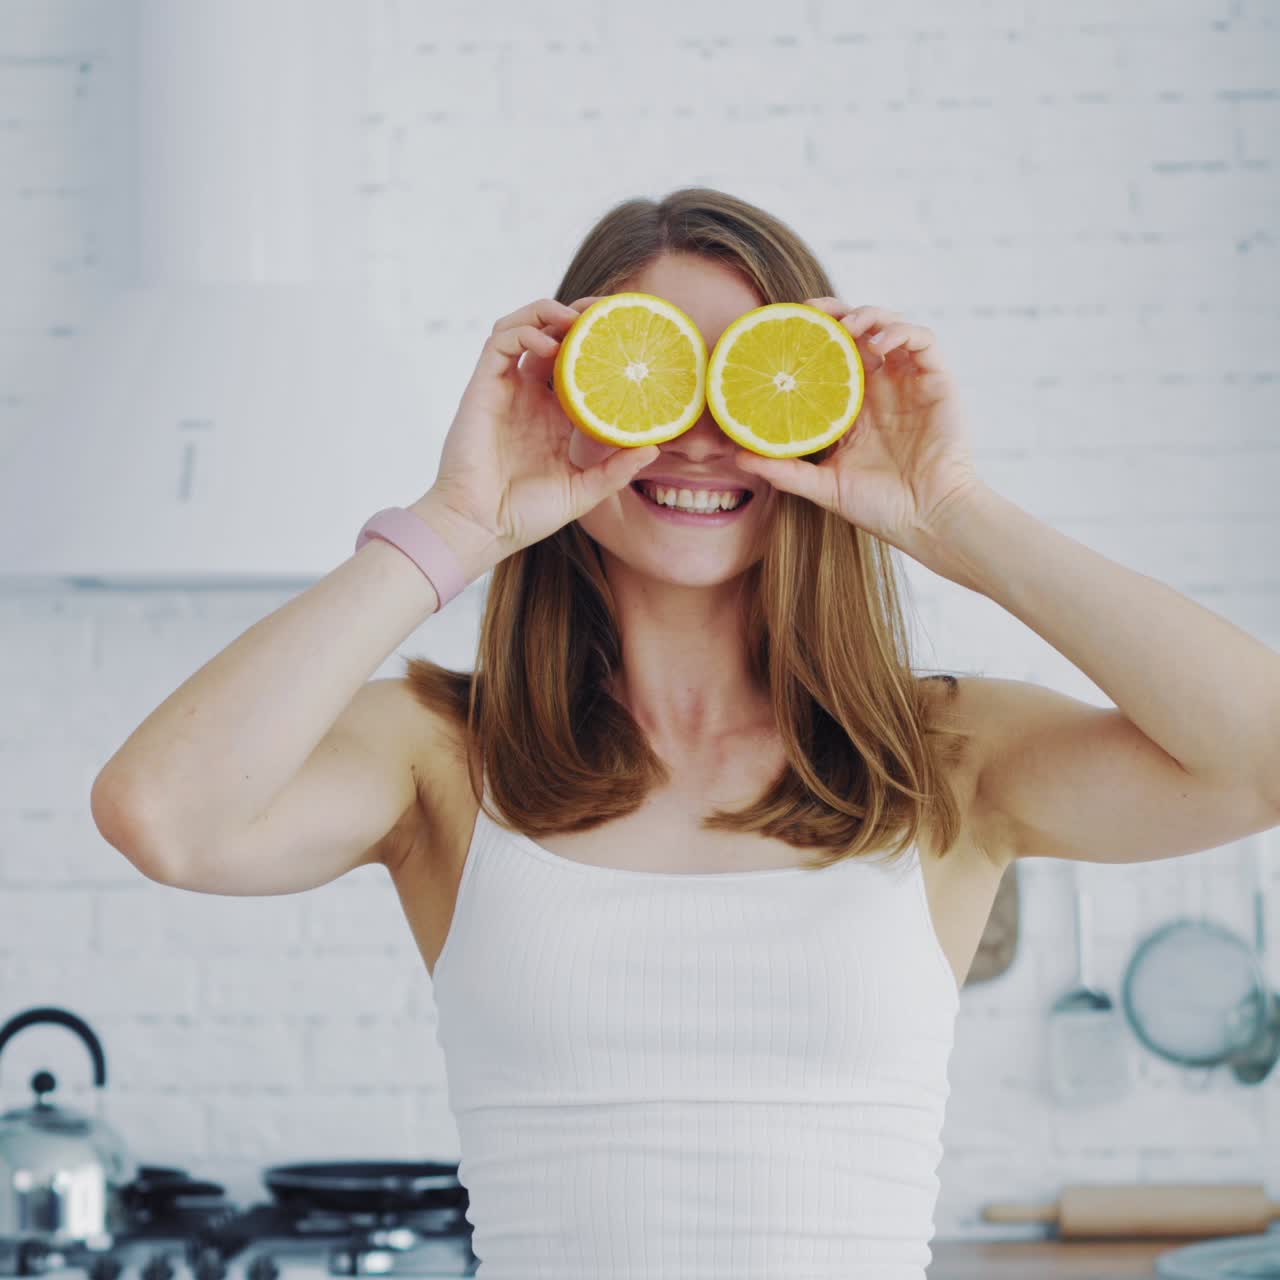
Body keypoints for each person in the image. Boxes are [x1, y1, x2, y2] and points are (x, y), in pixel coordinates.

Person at [91, 187, 1280, 1279]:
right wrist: (455, 524)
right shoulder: (443, 755)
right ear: (567, 397)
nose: (701, 435)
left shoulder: (942, 753)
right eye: (655, 378)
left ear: (817, 406)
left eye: (746, 379)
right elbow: (164, 817)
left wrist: (952, 512)